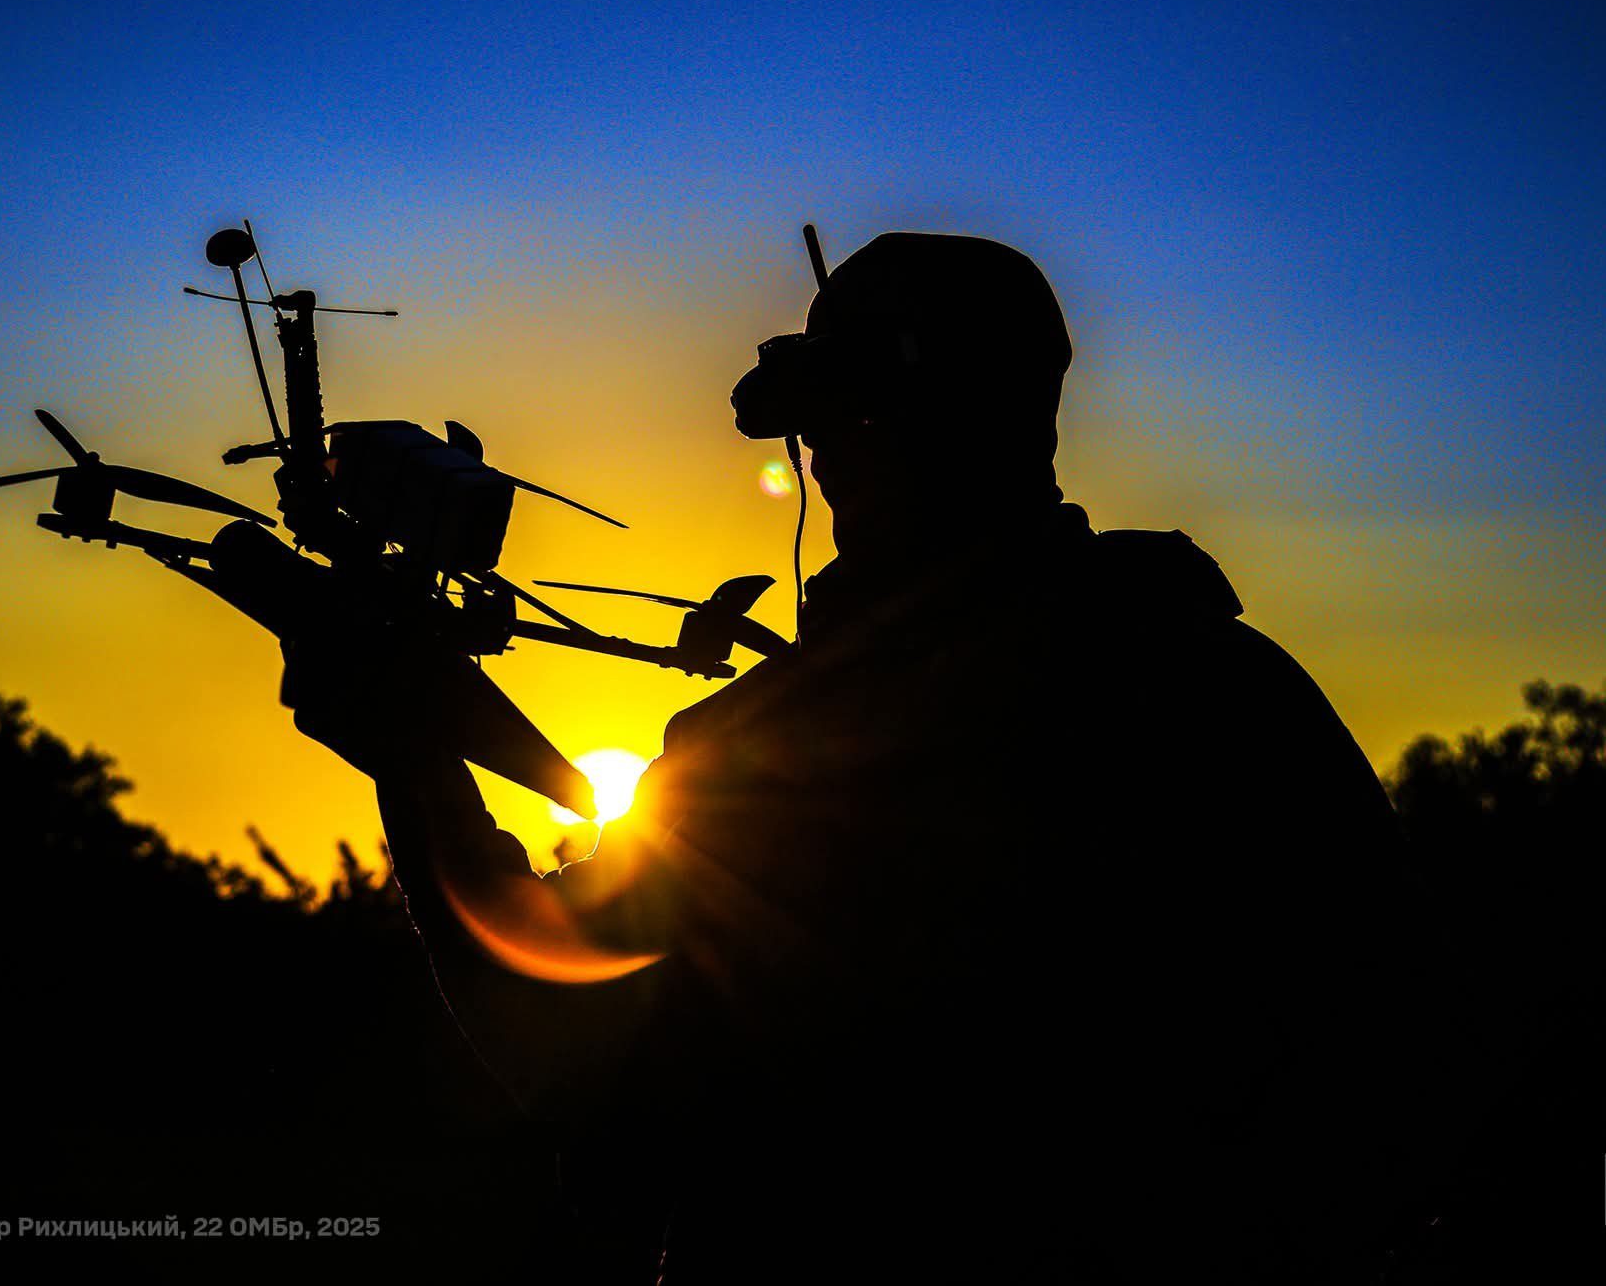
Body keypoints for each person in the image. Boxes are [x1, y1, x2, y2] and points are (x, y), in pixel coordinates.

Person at [286, 232, 1445, 1283]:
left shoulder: (780, 752)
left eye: (831, 413)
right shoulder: (1226, 678)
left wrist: (412, 760)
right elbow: (1398, 1062)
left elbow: (558, 1044)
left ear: (846, 433)